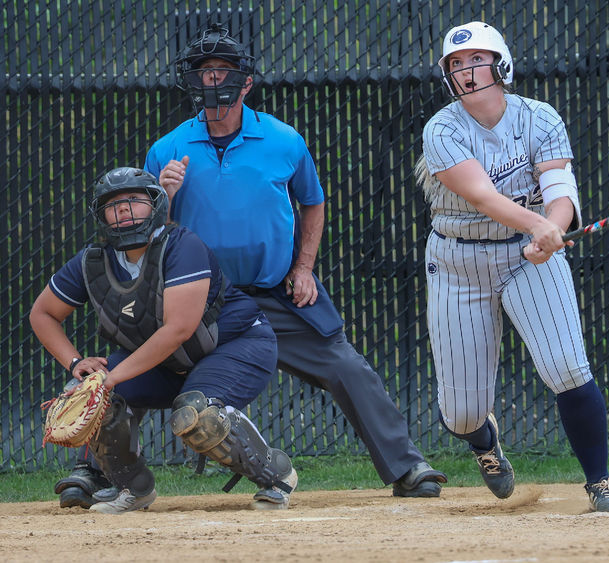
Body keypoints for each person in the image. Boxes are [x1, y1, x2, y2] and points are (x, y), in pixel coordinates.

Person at [143, 23, 447, 497]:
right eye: (205, 72)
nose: (214, 79)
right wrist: (162, 194)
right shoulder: (167, 150)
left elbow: (313, 202)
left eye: (224, 70)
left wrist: (304, 268)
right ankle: (96, 471)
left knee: (347, 366)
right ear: (194, 81)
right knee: (138, 358)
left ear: (246, 82)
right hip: (201, 302)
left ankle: (407, 467)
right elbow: (144, 233)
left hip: (276, 291)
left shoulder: (284, 141)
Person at [414, 21, 609, 512]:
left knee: (566, 367)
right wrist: (539, 225)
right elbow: (483, 196)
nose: (467, 72)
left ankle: (599, 481)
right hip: (456, 261)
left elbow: (560, 190)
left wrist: (552, 230)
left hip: (526, 259)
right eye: (456, 65)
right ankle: (485, 443)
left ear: (501, 63)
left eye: (476, 60)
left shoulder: (541, 118)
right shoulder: (442, 128)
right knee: (462, 412)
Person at [31, 167, 297, 513]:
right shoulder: (92, 262)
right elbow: (42, 314)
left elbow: (179, 330)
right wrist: (77, 363)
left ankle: (275, 475)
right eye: (112, 204)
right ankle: (133, 488)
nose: (123, 209)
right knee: (88, 394)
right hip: (170, 363)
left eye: (134, 200)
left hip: (237, 345)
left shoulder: (182, 246)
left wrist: (112, 376)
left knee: (197, 413)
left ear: (156, 204)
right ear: (101, 215)